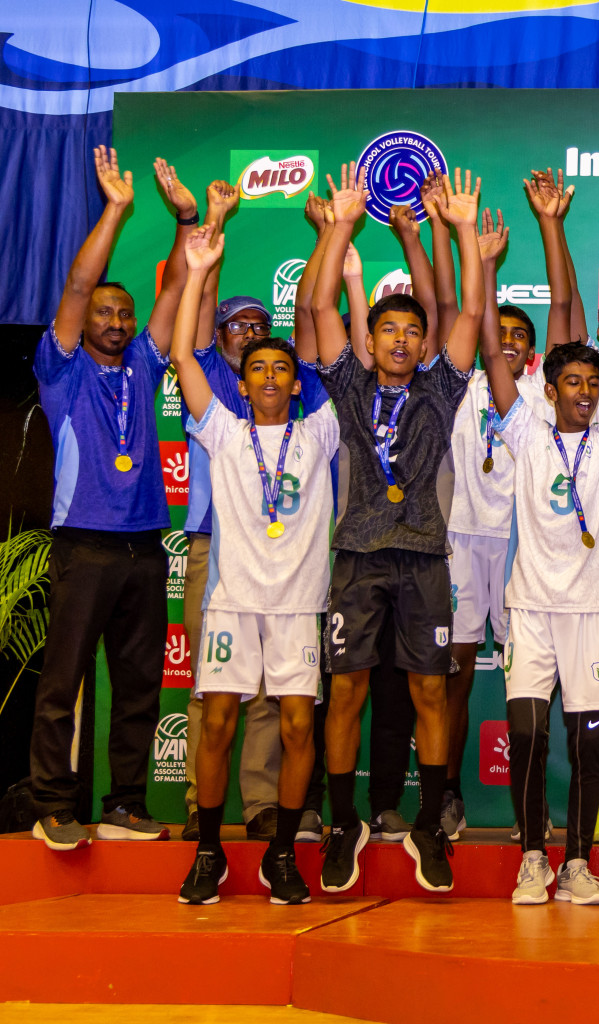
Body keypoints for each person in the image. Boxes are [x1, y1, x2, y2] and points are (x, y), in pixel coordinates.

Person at [300, 163, 485, 893]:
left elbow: (465, 318)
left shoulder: (441, 388)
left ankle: (429, 823)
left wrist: (464, 232)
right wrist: (340, 226)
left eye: (413, 330)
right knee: (345, 694)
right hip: (356, 560)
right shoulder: (347, 385)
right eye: (390, 330)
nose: (403, 341)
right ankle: (343, 819)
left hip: (424, 562)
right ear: (370, 341)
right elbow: (318, 310)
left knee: (431, 696)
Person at [487, 211, 599, 906]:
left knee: (589, 741)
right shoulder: (526, 429)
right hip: (529, 608)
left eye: (594, 383)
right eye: (575, 383)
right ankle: (534, 856)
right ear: (548, 388)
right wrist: (486, 263)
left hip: (591, 612)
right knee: (527, 735)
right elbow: (493, 359)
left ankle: (579, 862)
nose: (587, 392)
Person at [30, 149, 198, 850]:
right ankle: (51, 805)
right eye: (105, 311)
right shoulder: (61, 367)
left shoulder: (142, 360)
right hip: (84, 543)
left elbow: (177, 286)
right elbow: (75, 283)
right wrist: (118, 209)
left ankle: (124, 804)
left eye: (123, 313)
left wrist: (187, 220)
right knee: (64, 681)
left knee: (138, 685)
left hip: (144, 543)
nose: (116, 319)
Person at [171, 225, 338, 905]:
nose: (270, 376)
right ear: (241, 385)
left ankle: (280, 855)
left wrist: (335, 242)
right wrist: (198, 268)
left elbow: (321, 331)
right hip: (233, 604)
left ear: (295, 383)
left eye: (281, 369)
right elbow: (183, 353)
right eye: (257, 369)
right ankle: (209, 850)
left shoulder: (322, 430)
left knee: (298, 726)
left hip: (298, 606)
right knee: (216, 722)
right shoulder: (223, 432)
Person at [179, 181, 288, 845]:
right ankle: (201, 802)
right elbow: (187, 345)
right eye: (237, 327)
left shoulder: (286, 390)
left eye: (259, 327)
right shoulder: (216, 387)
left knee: (275, 687)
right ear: (222, 338)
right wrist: (209, 235)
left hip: (280, 557)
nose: (250, 335)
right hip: (214, 551)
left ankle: (262, 804)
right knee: (210, 687)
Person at [443, 205, 543, 840]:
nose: (506, 340)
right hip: (460, 539)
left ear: (532, 350)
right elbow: (462, 311)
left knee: (526, 675)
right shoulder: (456, 382)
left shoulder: (539, 395)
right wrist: (476, 258)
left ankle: (524, 811)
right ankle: (446, 793)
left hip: (518, 545)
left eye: (519, 336)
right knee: (452, 670)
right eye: (497, 330)